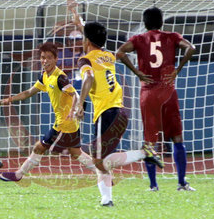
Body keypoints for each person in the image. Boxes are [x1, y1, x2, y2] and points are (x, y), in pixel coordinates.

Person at [70, 22, 163, 206]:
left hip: (106, 112)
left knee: (98, 161)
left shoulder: (85, 60)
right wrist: (77, 19)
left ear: (86, 41)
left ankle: (143, 153)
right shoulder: (108, 55)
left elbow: (88, 77)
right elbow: (92, 37)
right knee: (102, 159)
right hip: (120, 112)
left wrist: (80, 103)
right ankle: (107, 200)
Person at [116, 7, 197, 191]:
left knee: (150, 140)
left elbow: (119, 53)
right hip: (167, 92)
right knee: (177, 137)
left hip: (149, 93)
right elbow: (191, 48)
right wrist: (177, 69)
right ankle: (182, 183)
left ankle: (153, 185)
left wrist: (137, 72)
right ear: (161, 22)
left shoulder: (138, 39)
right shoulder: (172, 37)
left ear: (145, 23)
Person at [0, 41, 98, 182]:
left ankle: (18, 175)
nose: (45, 61)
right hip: (67, 122)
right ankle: (103, 173)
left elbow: (74, 94)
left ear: (56, 59)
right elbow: (28, 92)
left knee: (39, 147)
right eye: (43, 57)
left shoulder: (60, 77)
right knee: (76, 152)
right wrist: (8, 100)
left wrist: (73, 109)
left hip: (64, 123)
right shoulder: (45, 76)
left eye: (49, 57)